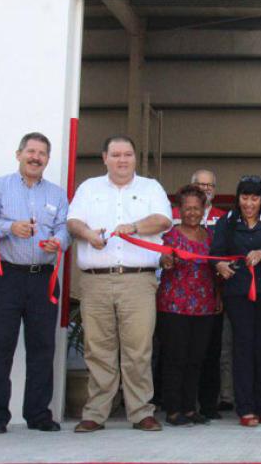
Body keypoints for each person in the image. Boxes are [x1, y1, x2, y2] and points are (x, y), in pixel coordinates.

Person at [67, 135, 173, 433]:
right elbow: (72, 222)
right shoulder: (89, 188)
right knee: (98, 348)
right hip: (96, 281)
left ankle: (141, 412)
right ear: (105, 158)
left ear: (135, 159)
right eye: (116, 155)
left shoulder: (150, 188)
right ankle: (96, 412)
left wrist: (135, 227)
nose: (122, 160)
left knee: (138, 349)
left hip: (137, 280)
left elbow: (163, 220)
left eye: (127, 155)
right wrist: (87, 234)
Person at [0, 132, 70, 434]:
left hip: (43, 279)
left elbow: (64, 228)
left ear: (47, 159)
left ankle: (38, 414)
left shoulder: (56, 194)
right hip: (6, 278)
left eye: (42, 153)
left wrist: (58, 242)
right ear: (19, 154)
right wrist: (9, 227)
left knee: (43, 348)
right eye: (31, 151)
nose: (36, 157)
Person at [210, 176, 261, 427]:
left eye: (255, 198)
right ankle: (246, 407)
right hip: (237, 293)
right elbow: (214, 252)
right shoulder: (226, 222)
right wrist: (219, 264)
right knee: (243, 347)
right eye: (244, 198)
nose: (249, 203)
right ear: (237, 198)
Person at [156, 185, 219, 427]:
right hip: (173, 305)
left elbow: (214, 268)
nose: (192, 212)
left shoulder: (210, 237)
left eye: (197, 208)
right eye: (187, 208)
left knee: (196, 358)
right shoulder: (170, 236)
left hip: (204, 306)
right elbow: (161, 259)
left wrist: (218, 297)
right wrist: (166, 259)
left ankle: (190, 408)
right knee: (175, 358)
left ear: (204, 209)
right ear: (179, 210)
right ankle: (173, 409)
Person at [191, 168, 231, 419]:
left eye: (210, 185)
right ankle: (181, 403)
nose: (206, 189)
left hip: (214, 293)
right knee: (183, 351)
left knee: (212, 351)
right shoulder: (174, 216)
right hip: (181, 294)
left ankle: (208, 404)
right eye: (201, 185)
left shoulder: (223, 218)